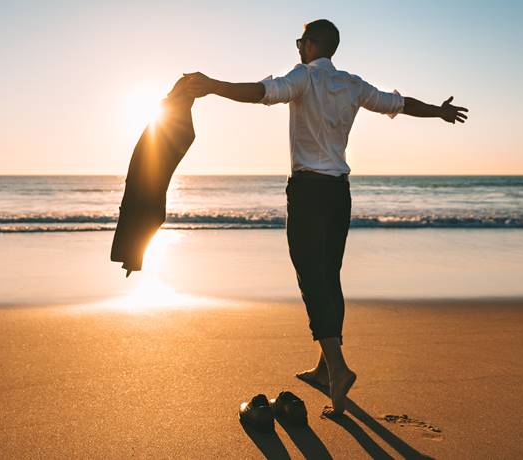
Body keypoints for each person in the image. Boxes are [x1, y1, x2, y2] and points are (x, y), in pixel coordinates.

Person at [180, 19, 468, 417]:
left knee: (311, 278)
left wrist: (213, 85)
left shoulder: (304, 77)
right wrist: (439, 111)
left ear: (312, 45)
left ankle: (337, 369)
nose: (298, 48)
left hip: (308, 192)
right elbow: (398, 104)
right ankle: (322, 367)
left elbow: (262, 93)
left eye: (301, 42)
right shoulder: (352, 84)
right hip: (339, 193)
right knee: (329, 275)